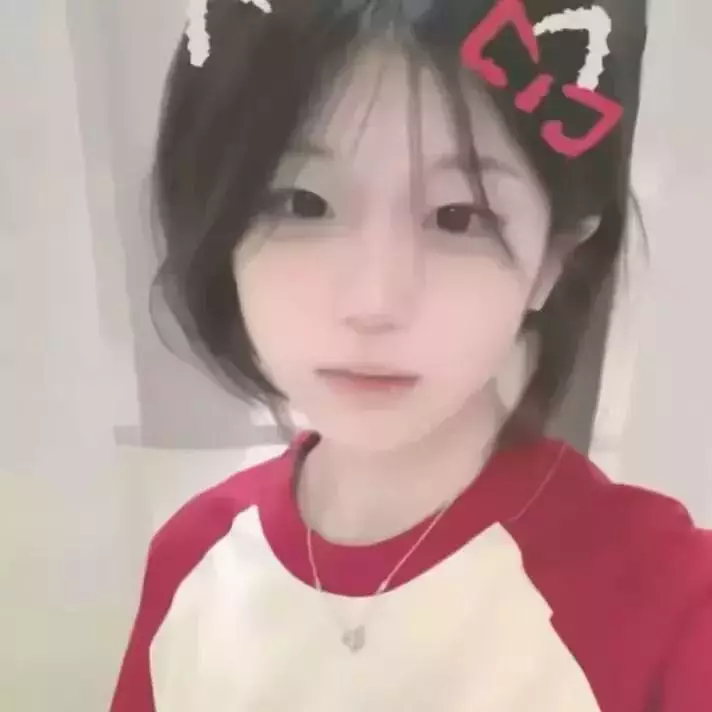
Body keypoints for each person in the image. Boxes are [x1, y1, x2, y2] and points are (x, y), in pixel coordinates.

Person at [111, 0, 712, 710]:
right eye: (301, 203)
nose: (375, 301)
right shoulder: (192, 556)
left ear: (555, 258)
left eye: (459, 216)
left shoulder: (670, 604)